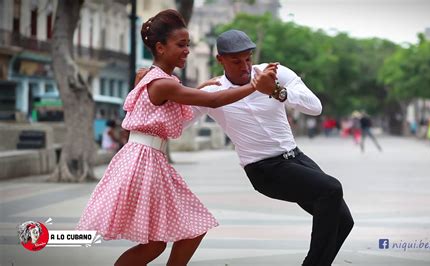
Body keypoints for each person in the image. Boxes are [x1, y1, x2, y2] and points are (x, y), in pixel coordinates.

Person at [76, 11, 277, 266]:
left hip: (148, 159)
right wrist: (256, 86)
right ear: (160, 48)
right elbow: (213, 100)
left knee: (167, 239)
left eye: (188, 45)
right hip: (144, 161)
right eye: (181, 45)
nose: (187, 51)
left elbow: (187, 97)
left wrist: (202, 86)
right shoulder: (161, 83)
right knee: (175, 235)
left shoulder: (159, 79)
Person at [185, 29, 353, 266]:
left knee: (343, 222)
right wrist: (192, 89)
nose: (244, 67)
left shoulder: (273, 73)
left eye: (248, 59)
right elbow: (178, 123)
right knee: (331, 189)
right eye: (236, 61)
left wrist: (276, 91)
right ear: (220, 60)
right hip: (264, 169)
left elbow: (315, 107)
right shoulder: (212, 93)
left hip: (296, 158)